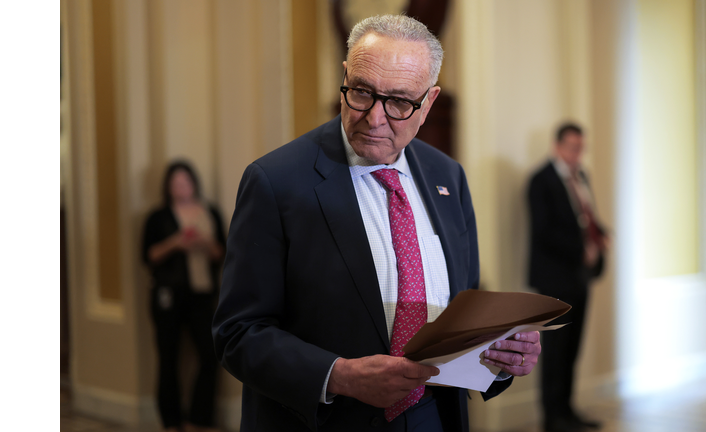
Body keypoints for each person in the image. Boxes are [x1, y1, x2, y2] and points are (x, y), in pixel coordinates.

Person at [212, 15, 542, 432]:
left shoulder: (448, 177)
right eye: (362, 93)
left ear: (430, 102)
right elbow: (238, 333)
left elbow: (462, 312)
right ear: (346, 76)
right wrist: (341, 375)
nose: (374, 118)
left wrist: (500, 356)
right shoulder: (276, 182)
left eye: (400, 102)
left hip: (435, 417)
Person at [526, 123, 609, 432]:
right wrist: (581, 249)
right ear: (558, 146)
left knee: (573, 349)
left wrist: (600, 235)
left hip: (579, 277)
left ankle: (568, 410)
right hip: (554, 280)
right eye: (573, 148)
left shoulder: (581, 177)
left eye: (581, 148)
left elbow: (585, 219)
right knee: (555, 351)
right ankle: (552, 418)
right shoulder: (540, 181)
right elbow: (544, 232)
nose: (577, 154)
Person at [142, 161, 227, 432]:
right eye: (175, 182)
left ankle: (198, 419)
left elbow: (222, 253)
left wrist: (203, 242)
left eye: (185, 181)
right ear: (168, 187)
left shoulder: (210, 212)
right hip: (168, 296)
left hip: (202, 296)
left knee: (209, 355)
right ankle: (171, 422)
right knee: (168, 360)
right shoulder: (158, 217)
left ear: (193, 183)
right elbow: (149, 256)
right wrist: (175, 243)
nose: (181, 186)